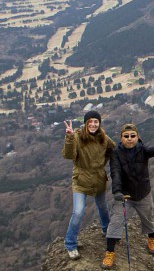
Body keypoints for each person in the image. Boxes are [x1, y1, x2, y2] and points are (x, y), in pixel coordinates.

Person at [101, 123, 154, 269]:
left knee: (149, 218)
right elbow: (115, 172)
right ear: (121, 138)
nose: (130, 139)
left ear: (138, 137)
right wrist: (117, 191)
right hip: (124, 194)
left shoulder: (141, 149)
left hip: (143, 192)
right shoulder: (116, 153)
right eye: (126, 136)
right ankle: (109, 252)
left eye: (133, 136)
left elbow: (152, 150)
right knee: (116, 221)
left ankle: (152, 239)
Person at [61, 110, 116, 260]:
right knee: (78, 212)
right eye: (90, 121)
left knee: (103, 207)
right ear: (85, 123)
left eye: (96, 122)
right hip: (81, 179)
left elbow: (114, 149)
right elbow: (68, 155)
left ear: (99, 123)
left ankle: (107, 232)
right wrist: (69, 137)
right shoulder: (77, 136)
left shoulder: (103, 138)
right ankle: (70, 244)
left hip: (98, 178)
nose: (93, 124)